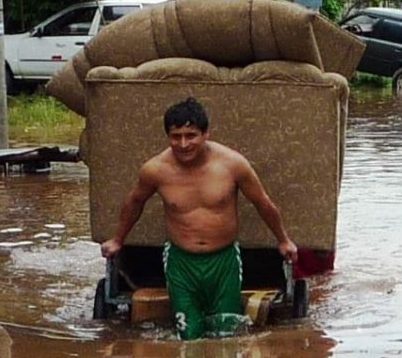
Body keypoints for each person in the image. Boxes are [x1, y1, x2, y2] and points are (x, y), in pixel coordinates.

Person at [101, 96, 297, 340]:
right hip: (181, 262)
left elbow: (262, 203)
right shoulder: (155, 169)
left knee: (227, 336)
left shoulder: (233, 164)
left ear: (205, 134)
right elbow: (134, 201)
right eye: (176, 137)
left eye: (190, 135)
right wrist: (118, 239)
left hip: (223, 261)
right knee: (189, 337)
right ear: (168, 137)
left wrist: (283, 240)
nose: (183, 144)